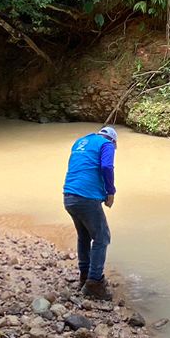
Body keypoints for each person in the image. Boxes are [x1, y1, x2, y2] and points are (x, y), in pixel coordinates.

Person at [62, 124, 118, 300]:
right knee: (102, 237)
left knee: (84, 237)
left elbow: (80, 166)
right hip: (86, 197)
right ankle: (95, 282)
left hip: (69, 196)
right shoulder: (106, 145)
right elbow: (107, 167)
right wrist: (110, 192)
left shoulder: (80, 142)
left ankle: (84, 276)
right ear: (113, 140)